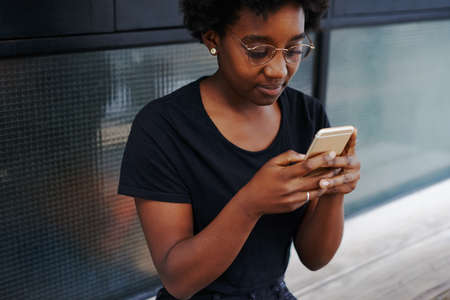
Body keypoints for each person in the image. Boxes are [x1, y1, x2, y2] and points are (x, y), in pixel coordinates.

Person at [118, 0, 361, 299]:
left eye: (294, 50)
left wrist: (333, 191)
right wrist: (250, 204)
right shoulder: (163, 127)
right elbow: (178, 281)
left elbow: (315, 258)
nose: (278, 70)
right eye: (258, 51)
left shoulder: (306, 115)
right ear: (213, 38)